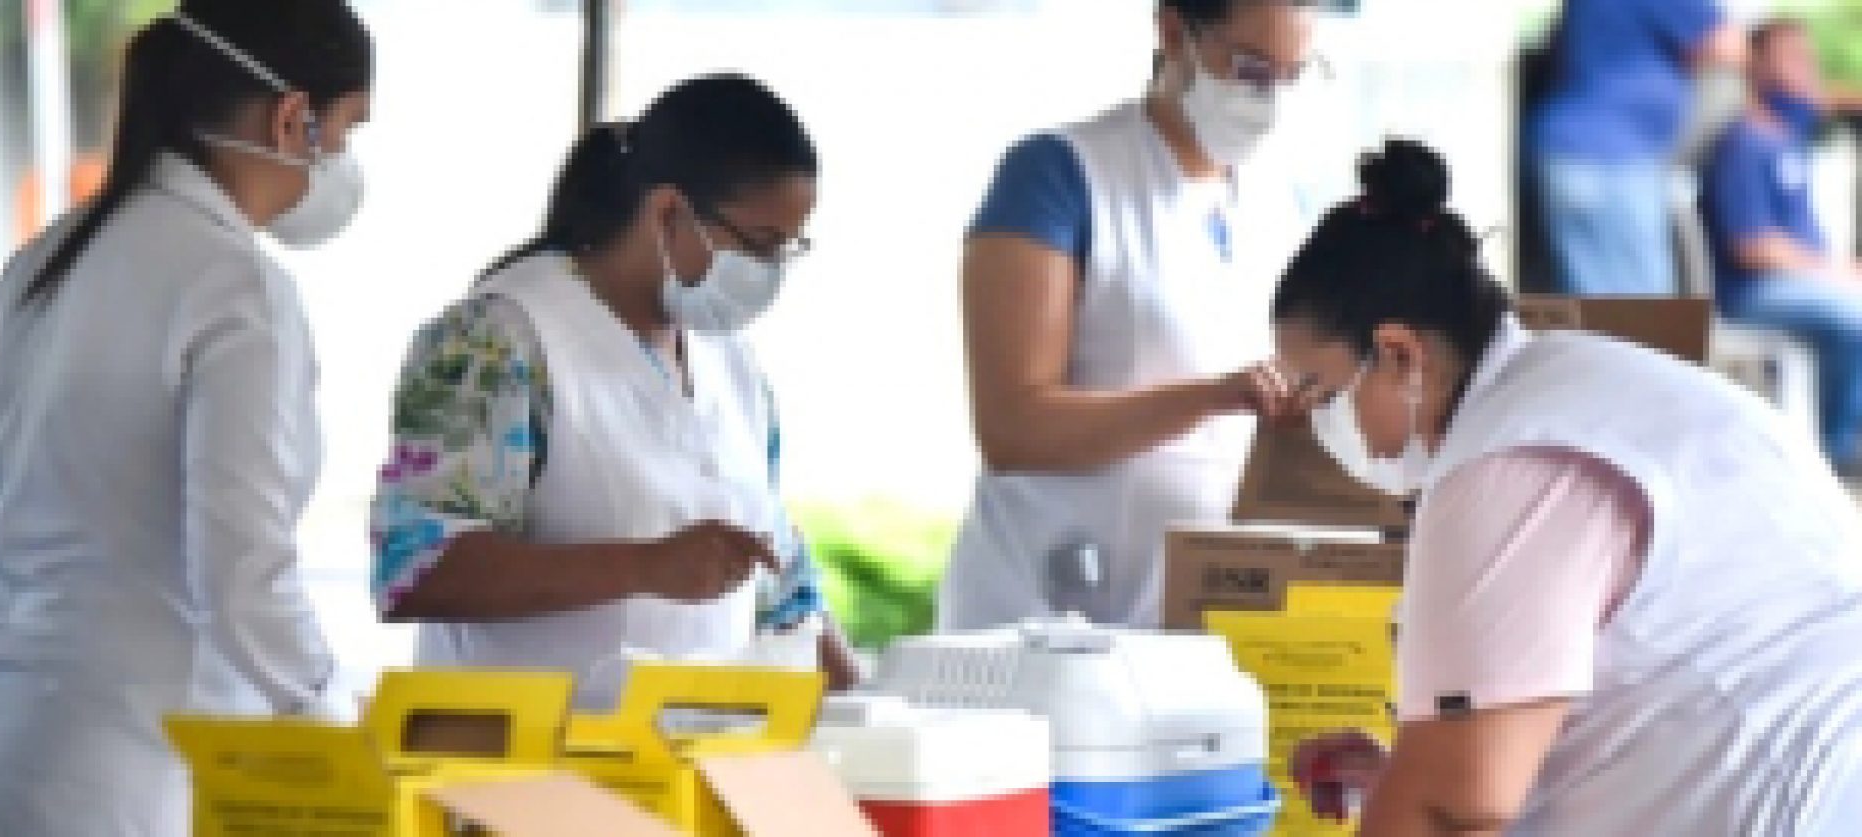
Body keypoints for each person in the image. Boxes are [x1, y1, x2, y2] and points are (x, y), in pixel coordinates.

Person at [1279, 140, 1862, 835]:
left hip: (1781, 799)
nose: (1319, 424)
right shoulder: (1586, 390)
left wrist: (1423, 783)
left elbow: (1454, 805)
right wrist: (1407, 770)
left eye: (1322, 393)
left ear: (1400, 354)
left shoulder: (1510, 456)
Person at [0, 2, 373, 834]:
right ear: (293, 119)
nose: (346, 164)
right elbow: (241, 570)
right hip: (132, 771)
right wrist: (328, 713)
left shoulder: (43, 259)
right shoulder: (236, 286)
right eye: (347, 131)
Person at [370, 74, 857, 712]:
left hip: (690, 770)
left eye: (790, 250)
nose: (771, 274)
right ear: (668, 213)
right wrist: (645, 567)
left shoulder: (727, 357)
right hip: (518, 774)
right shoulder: (499, 342)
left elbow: (782, 584)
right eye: (761, 245)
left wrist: (868, 710)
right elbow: (417, 569)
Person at [938, 0, 1313, 630]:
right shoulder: (1059, 173)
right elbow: (1012, 426)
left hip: (1205, 618)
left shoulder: (1283, 202)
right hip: (1042, 611)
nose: (1270, 97)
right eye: (1251, 69)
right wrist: (1215, 396)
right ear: (1173, 32)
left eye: (1292, 75)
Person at [1701, 17, 1862, 476]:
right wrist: (1834, 271)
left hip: (1803, 280)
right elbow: (1751, 248)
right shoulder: (1743, 144)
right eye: (1792, 57)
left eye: (1808, 57)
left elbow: (1830, 99)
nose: (1807, 67)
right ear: (1756, 66)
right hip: (1754, 292)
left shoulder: (1786, 133)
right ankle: (1839, 450)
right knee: (1855, 317)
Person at [1526, 0, 1746, 295]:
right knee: (1636, 319)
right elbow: (1726, 45)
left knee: (1605, 316)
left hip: (1583, 155)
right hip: (1609, 161)